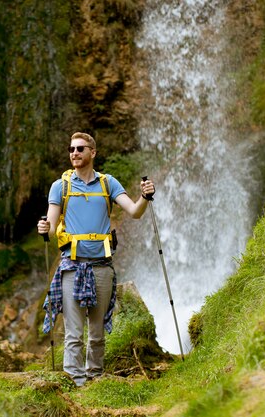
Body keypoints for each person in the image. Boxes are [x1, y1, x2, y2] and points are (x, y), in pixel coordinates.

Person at [37, 131, 155, 386]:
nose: (75, 153)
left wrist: (145, 197)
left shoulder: (107, 183)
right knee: (74, 333)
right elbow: (51, 221)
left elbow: (134, 212)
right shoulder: (61, 186)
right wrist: (44, 228)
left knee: (98, 333)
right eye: (71, 149)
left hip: (102, 266)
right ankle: (75, 382)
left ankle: (96, 378)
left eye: (80, 149)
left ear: (93, 152)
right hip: (71, 266)